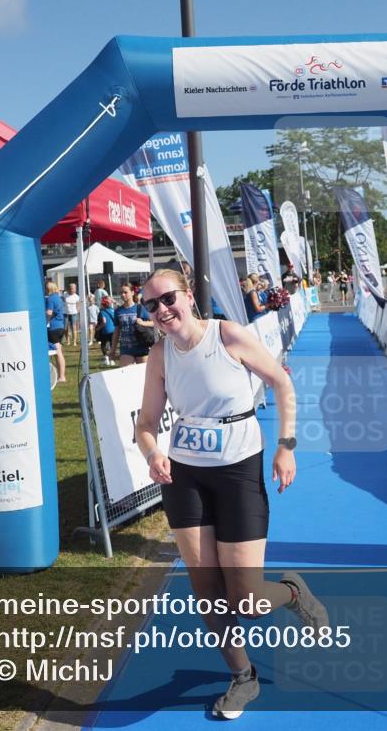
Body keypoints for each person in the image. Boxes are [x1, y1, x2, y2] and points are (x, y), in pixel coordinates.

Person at [135, 269, 328, 720]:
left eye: (168, 299)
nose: (162, 310)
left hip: (238, 472)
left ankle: (292, 593)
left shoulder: (228, 336)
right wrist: (152, 453)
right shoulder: (160, 355)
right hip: (185, 477)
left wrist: (286, 446)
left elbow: (282, 382)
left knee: (247, 601)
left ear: (188, 296)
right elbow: (145, 423)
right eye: (151, 305)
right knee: (206, 589)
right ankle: (243, 677)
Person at [111, 283, 154, 366]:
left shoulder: (140, 308)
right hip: (126, 349)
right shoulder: (118, 311)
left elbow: (154, 322)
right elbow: (116, 331)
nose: (123, 295)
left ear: (132, 292)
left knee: (143, 373)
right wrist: (113, 349)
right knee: (127, 372)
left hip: (142, 347)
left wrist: (143, 323)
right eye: (121, 293)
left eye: (125, 292)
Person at [45, 281, 67, 383]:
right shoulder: (58, 298)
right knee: (58, 351)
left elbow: (49, 312)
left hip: (53, 327)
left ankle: (61, 376)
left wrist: (44, 321)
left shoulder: (50, 298)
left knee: (57, 352)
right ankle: (61, 376)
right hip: (60, 327)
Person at [95, 296, 116, 364]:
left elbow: (104, 322)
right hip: (113, 331)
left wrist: (98, 328)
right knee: (112, 345)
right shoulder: (113, 310)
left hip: (105, 331)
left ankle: (106, 359)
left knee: (103, 344)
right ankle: (112, 360)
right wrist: (114, 302)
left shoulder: (102, 311)